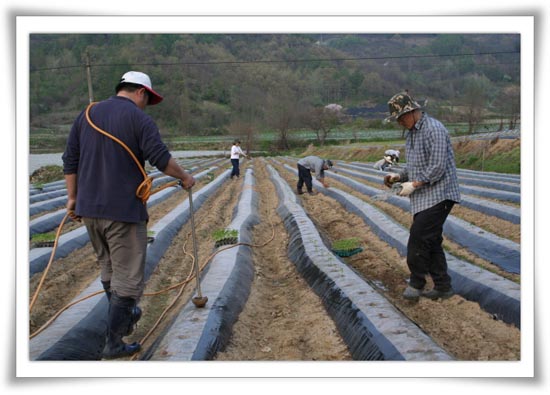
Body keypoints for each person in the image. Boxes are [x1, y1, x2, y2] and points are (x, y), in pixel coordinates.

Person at [62, 71, 196, 359]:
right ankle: (114, 341)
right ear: (140, 92)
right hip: (122, 211)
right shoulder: (139, 119)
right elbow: (160, 158)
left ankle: (123, 317)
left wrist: (73, 198)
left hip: (90, 212)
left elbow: (70, 160)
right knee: (128, 278)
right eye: (148, 99)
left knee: (108, 267)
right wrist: (185, 177)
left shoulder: (86, 115)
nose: (146, 104)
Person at [383, 91, 461, 301]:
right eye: (397, 120)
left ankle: (417, 283)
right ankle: (443, 287)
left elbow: (437, 168)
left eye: (400, 118)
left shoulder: (434, 130)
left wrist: (414, 185)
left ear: (411, 112)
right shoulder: (412, 133)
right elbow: (415, 165)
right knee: (432, 240)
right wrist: (398, 176)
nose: (399, 122)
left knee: (418, 238)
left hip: (441, 194)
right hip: (424, 196)